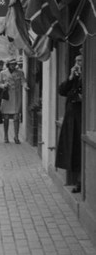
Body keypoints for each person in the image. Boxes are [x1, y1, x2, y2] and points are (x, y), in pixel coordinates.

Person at [55, 54, 82, 193]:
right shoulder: (75, 77)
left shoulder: (86, 77)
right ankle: (77, 181)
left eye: (80, 61)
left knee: (79, 150)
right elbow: (62, 91)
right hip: (71, 118)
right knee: (73, 149)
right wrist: (71, 77)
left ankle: (80, 182)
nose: (77, 64)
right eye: (76, 61)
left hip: (81, 119)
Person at [0, 58, 29, 144]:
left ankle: (16, 136)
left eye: (14, 64)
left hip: (16, 97)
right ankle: (5, 136)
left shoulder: (20, 72)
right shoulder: (2, 73)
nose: (13, 65)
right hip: (7, 97)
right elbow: (0, 83)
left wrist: (26, 86)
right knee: (6, 118)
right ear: (8, 65)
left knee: (16, 117)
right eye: (11, 64)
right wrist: (4, 85)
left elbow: (23, 81)